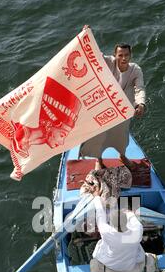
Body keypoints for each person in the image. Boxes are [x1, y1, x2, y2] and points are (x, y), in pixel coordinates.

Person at [80, 25, 146, 167]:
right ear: (115, 55)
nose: (123, 58)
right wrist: (87, 35)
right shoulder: (109, 62)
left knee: (121, 136)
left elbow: (139, 89)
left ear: (130, 55)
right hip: (105, 106)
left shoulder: (136, 70)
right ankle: (99, 161)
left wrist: (140, 104)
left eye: (126, 55)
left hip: (123, 109)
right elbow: (95, 54)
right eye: (120, 55)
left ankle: (122, 157)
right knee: (99, 135)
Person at [11, 76, 82, 158]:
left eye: (62, 136)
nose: (61, 142)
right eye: (62, 136)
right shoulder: (25, 132)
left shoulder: (41, 135)